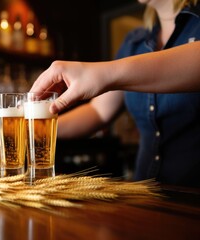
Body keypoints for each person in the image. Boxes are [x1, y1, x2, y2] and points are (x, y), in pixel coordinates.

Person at [30, 0, 200, 188]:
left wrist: (104, 72)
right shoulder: (134, 43)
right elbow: (98, 111)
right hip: (146, 196)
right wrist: (37, 130)